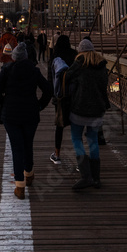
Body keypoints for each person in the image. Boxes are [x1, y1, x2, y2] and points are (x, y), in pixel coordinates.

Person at [0, 42, 53, 199]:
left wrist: (3, 103)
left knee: (16, 147)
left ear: (14, 58)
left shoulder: (7, 70)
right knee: (28, 144)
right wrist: (40, 105)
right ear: (26, 57)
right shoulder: (34, 70)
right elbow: (48, 90)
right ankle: (29, 174)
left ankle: (20, 186)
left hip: (11, 115)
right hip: (30, 114)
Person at [63, 37, 109, 191]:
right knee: (93, 140)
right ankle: (96, 178)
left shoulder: (79, 64)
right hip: (97, 109)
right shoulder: (102, 65)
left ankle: (85, 176)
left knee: (76, 139)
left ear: (81, 51)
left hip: (79, 107)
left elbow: (66, 77)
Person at [47, 34, 76, 165]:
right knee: (76, 126)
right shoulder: (75, 55)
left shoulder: (54, 57)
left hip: (59, 97)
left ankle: (57, 154)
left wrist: (51, 96)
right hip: (74, 95)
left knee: (60, 125)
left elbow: (50, 79)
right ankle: (78, 157)